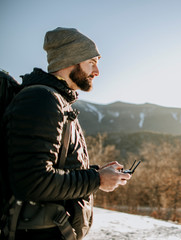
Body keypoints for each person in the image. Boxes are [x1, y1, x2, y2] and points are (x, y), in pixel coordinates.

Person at [3, 27, 131, 239]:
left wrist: (97, 173)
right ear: (70, 60)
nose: (97, 71)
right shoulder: (41, 100)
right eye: (92, 62)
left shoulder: (58, 101)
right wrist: (97, 179)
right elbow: (33, 181)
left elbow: (54, 168)